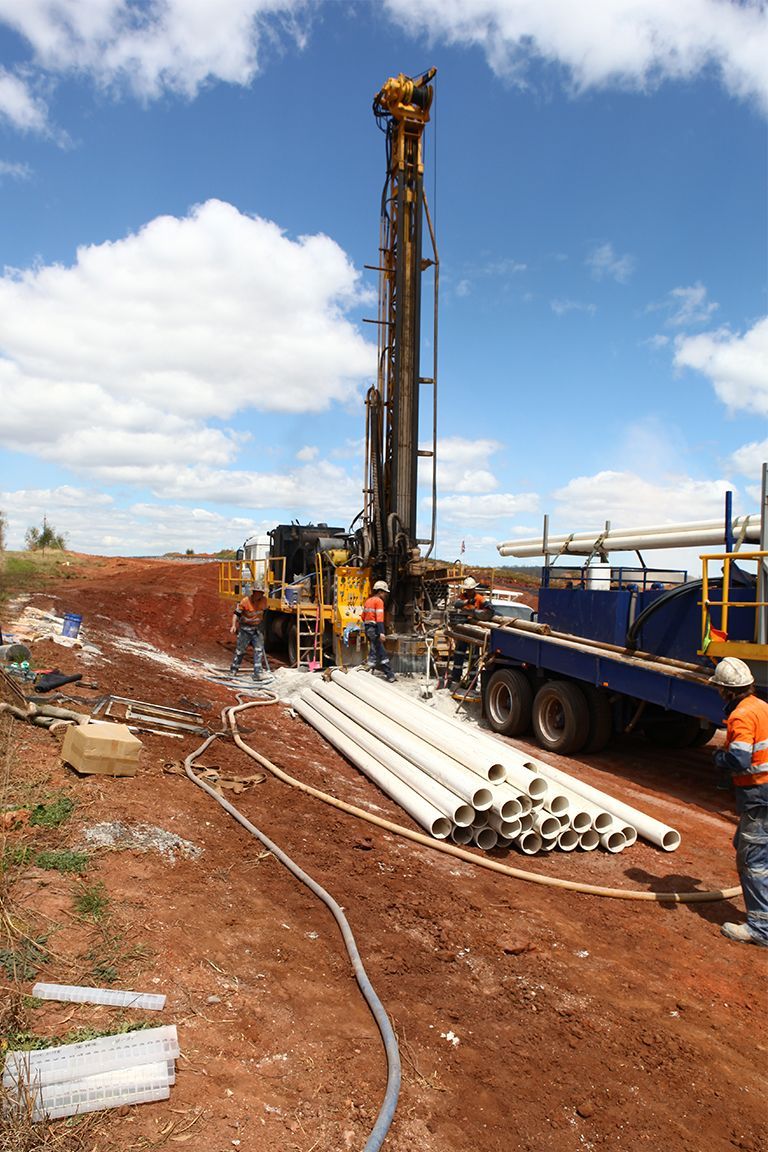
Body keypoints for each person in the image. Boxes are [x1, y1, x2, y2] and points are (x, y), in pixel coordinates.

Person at [710, 657, 768, 947]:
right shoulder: (762, 707)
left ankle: (760, 927)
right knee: (748, 845)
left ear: (727, 691)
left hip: (759, 795)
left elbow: (741, 759)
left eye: (720, 688)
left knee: (752, 860)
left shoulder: (741, 715)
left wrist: (720, 758)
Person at [447, 576, 493, 687]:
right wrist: (467, 601)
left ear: (474, 588)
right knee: (459, 653)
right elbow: (456, 604)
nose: (468, 591)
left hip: (474, 629)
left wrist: (477, 612)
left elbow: (490, 609)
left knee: (474, 656)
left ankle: (472, 681)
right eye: (467, 590)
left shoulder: (480, 598)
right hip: (463, 628)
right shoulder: (463, 597)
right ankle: (456, 678)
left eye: (470, 589)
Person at [229, 585, 272, 682]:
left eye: (262, 593)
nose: (260, 595)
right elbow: (236, 614)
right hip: (245, 629)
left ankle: (257, 673)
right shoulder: (245, 601)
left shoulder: (264, 601)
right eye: (259, 593)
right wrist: (233, 625)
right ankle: (233, 670)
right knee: (240, 651)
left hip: (257, 629)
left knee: (258, 650)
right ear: (254, 592)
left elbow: (264, 614)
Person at [361, 580, 396, 683]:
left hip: (368, 628)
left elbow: (363, 617)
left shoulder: (368, 601)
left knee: (374, 651)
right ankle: (390, 675)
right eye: (384, 592)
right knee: (381, 652)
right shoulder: (379, 601)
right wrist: (381, 632)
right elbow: (380, 619)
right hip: (375, 628)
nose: (385, 595)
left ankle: (367, 674)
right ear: (380, 591)